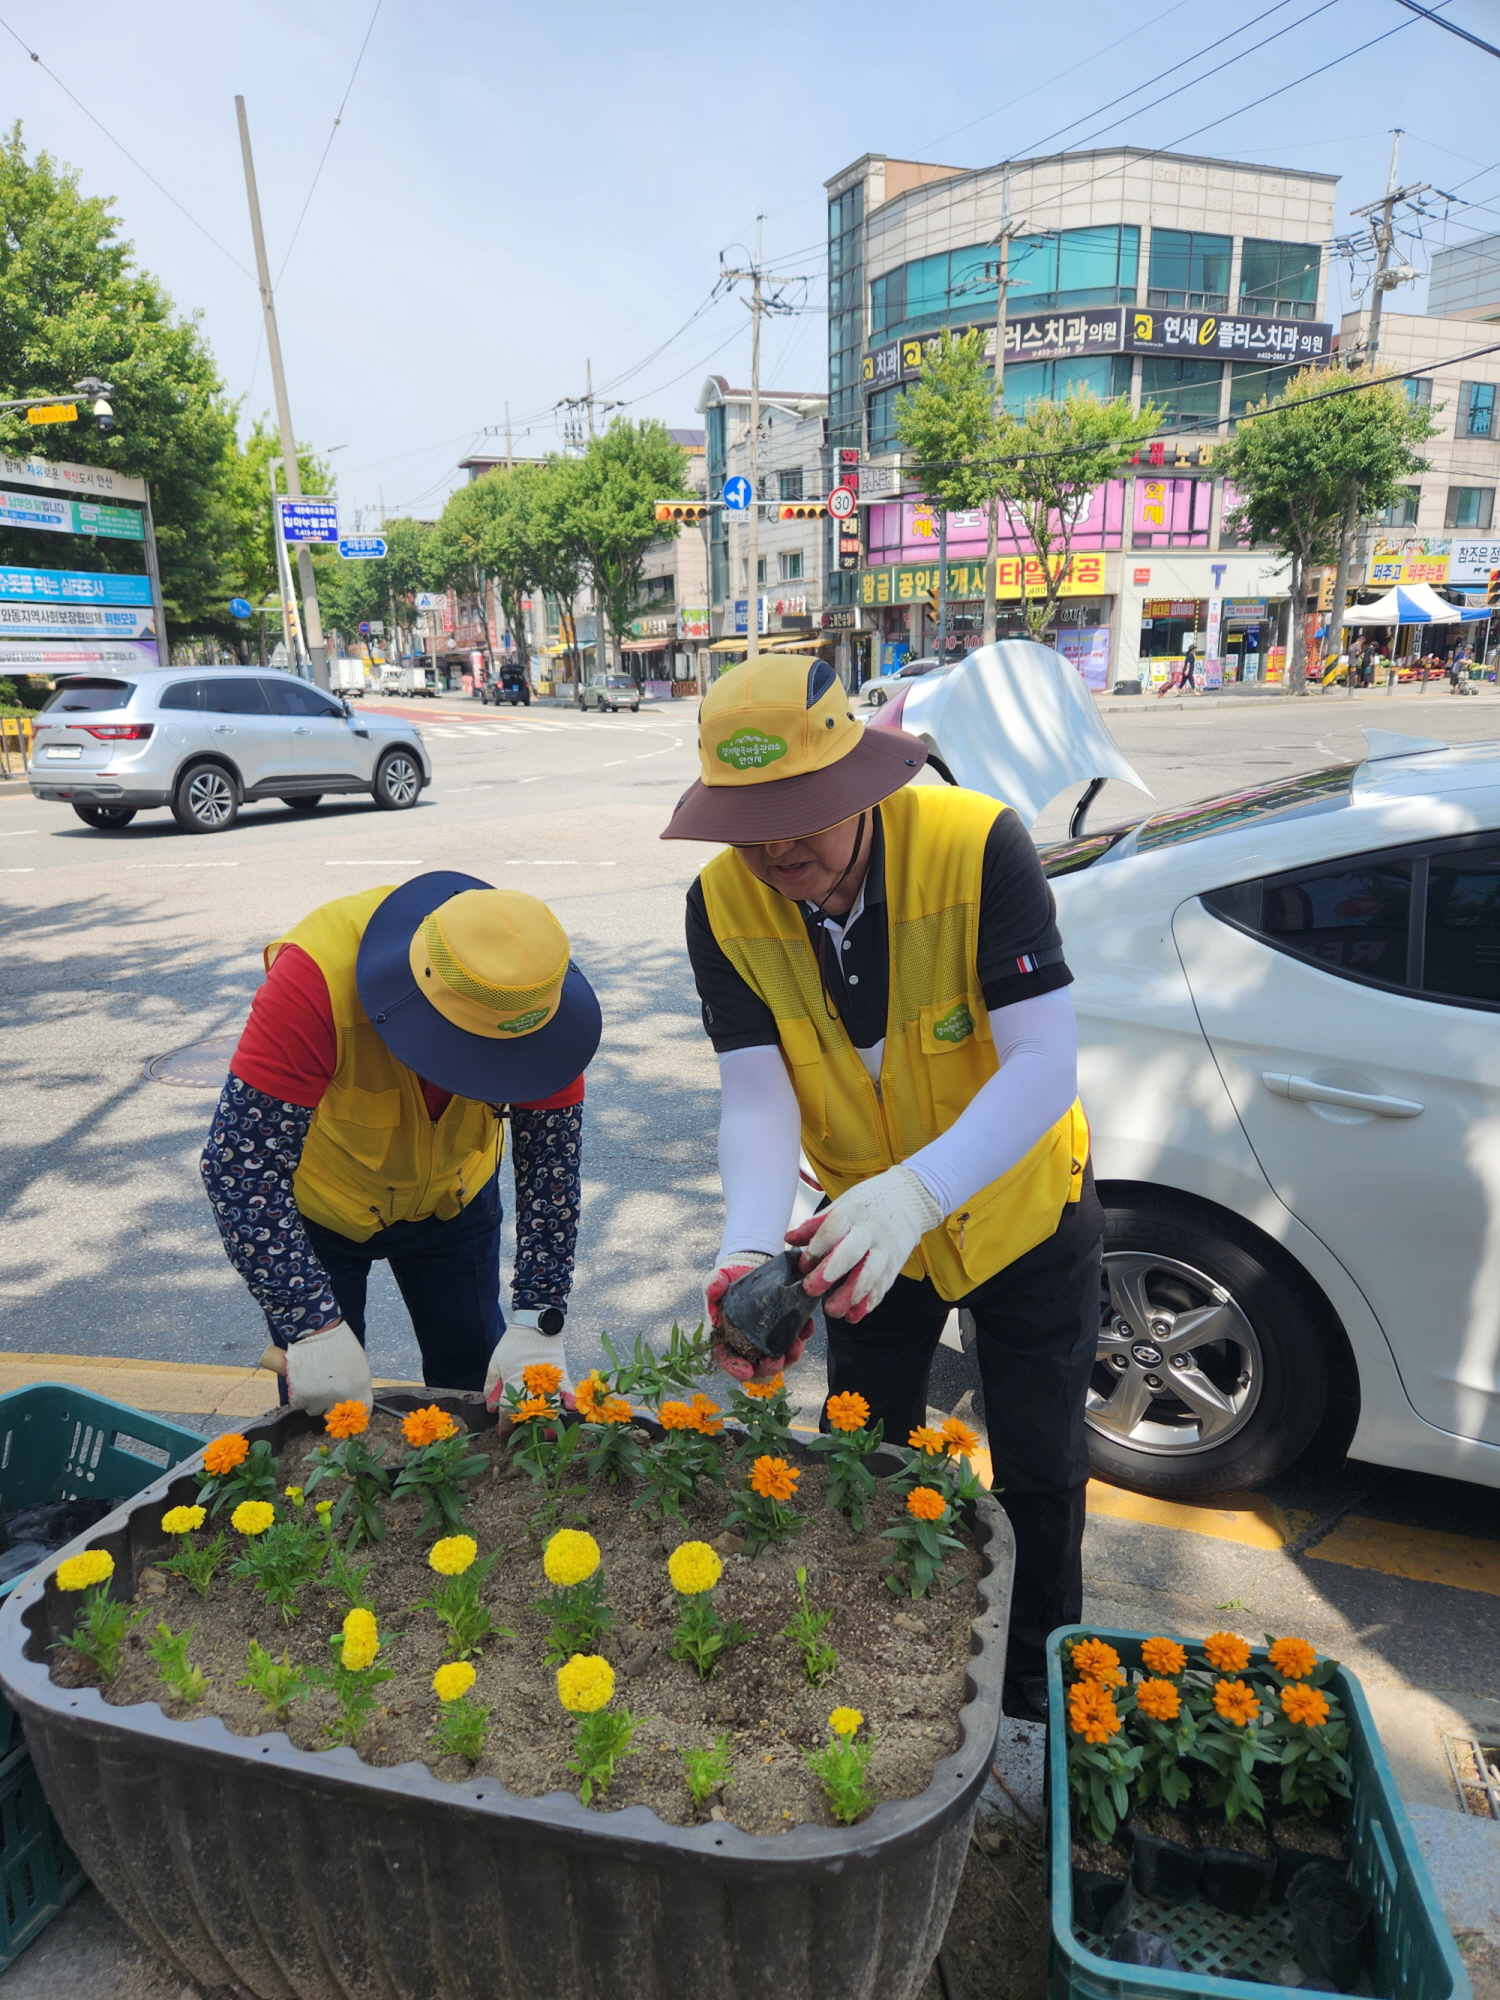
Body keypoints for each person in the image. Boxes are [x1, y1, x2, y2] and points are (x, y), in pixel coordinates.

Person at [663, 656, 1102, 1721]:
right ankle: (892, 1661)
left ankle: (1035, 1698)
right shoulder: (722, 903)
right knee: (869, 1447)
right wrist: (745, 1249)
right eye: (750, 822)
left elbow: (1043, 1061)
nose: (778, 848)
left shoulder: (976, 843)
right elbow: (758, 1096)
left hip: (1017, 1207)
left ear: (859, 779)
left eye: (803, 814)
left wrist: (922, 1190)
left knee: (1039, 1463)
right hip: (864, 1224)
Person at [201, 872, 600, 1416]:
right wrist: (308, 1322)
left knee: (476, 1382)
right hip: (324, 1209)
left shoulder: (531, 993)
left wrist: (539, 1320)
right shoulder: (316, 977)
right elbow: (240, 1167)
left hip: (455, 1196)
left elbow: (551, 1174)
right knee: (328, 1404)